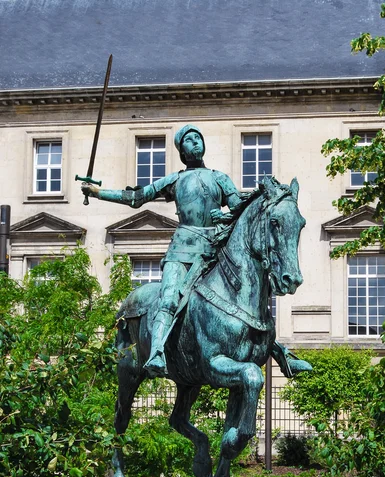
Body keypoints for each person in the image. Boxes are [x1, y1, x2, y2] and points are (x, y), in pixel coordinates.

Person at [82, 124, 311, 378]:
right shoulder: (176, 180)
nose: (195, 143)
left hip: (214, 250)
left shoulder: (219, 177)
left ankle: (280, 353)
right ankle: (157, 351)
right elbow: (138, 196)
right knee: (169, 298)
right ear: (182, 150)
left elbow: (237, 207)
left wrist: (225, 214)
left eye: (198, 138)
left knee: (248, 294)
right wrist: (98, 193)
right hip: (182, 251)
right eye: (188, 140)